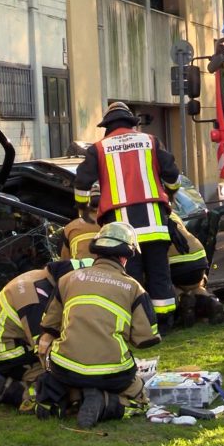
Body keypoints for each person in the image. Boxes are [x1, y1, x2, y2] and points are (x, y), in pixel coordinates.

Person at [36, 222, 160, 429]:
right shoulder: (133, 288)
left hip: (64, 368)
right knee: (139, 399)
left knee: (63, 367)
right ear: (125, 256)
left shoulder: (67, 279)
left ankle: (57, 399)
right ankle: (104, 402)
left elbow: (49, 325)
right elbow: (146, 338)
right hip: (110, 372)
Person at [74, 102, 182, 332]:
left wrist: (83, 208)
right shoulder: (151, 142)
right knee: (159, 274)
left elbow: (82, 182)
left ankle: (137, 325)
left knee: (130, 278)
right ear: (132, 124)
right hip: (155, 223)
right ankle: (164, 324)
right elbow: (172, 174)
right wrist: (171, 193)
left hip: (121, 232)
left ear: (107, 127)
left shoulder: (99, 149)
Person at [0, 258, 93, 411]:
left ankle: (10, 379)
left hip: (17, 345)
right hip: (12, 355)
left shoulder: (43, 280)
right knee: (62, 394)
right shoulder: (35, 298)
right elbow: (43, 348)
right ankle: (9, 390)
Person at [167, 212, 224, 327]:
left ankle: (184, 301)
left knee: (159, 279)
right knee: (195, 286)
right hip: (198, 257)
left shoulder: (143, 217)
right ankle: (211, 301)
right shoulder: (171, 213)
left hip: (176, 261)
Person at [59, 182, 101, 260]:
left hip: (79, 271)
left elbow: (64, 261)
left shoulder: (71, 227)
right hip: (108, 269)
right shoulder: (115, 225)